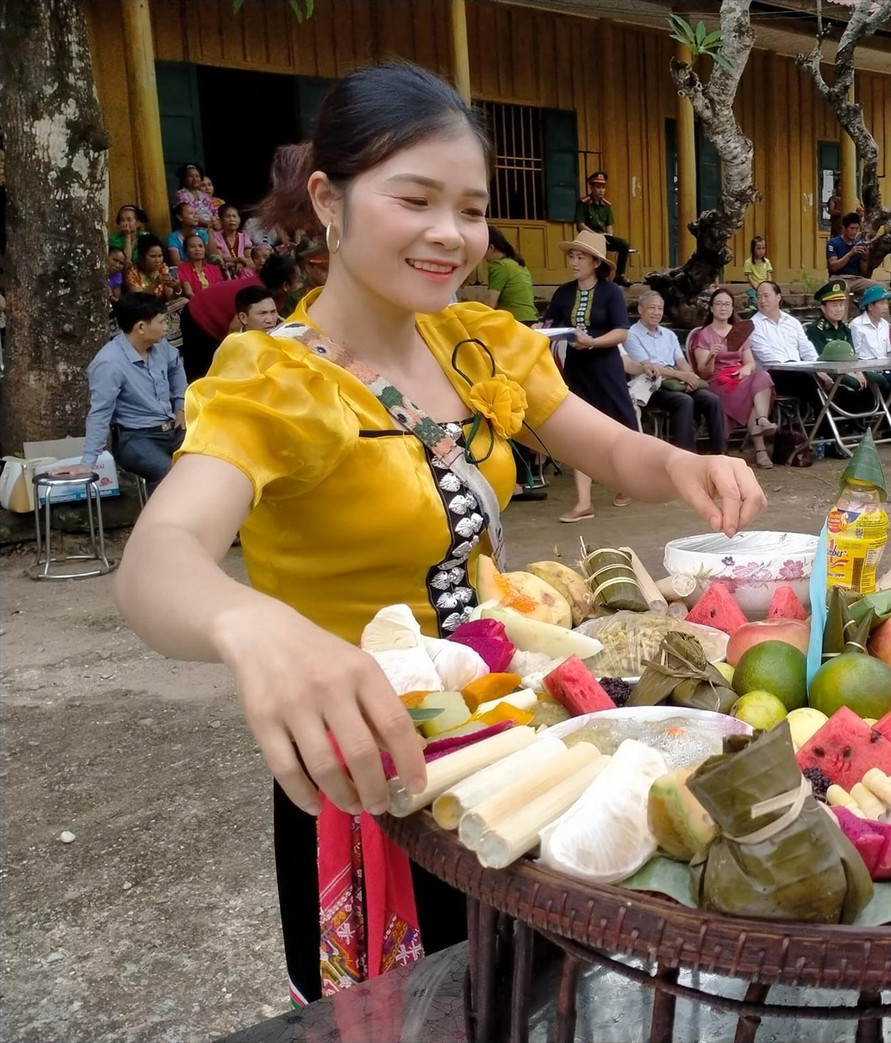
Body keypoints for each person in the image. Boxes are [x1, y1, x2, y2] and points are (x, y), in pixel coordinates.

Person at [110, 62, 763, 1010]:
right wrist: (250, 626)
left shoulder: (479, 341)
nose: (450, 235)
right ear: (329, 201)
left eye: (470, 208)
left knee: (541, 999)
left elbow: (615, 452)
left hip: (516, 743)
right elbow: (154, 562)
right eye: (414, 199)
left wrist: (685, 468)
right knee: (405, 1015)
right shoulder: (272, 379)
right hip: (372, 764)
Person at [539, 228, 639, 522]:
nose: (574, 261)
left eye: (580, 256)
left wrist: (592, 341)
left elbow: (622, 331)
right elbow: (550, 322)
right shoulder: (564, 292)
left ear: (595, 261)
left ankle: (626, 482)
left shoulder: (610, 292)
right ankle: (584, 502)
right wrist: (539, 330)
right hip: (577, 369)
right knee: (578, 429)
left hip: (606, 367)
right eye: (572, 255)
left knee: (619, 424)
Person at [58, 293, 187, 487]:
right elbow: (100, 412)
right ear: (141, 327)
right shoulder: (109, 363)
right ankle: (161, 517)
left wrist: (180, 406)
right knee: (169, 473)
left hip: (172, 430)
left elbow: (176, 366)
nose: (166, 327)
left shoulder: (160, 346)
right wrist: (88, 463)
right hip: (136, 438)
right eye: (161, 322)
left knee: (211, 459)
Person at [624, 291, 726, 455]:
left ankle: (719, 454)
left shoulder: (669, 335)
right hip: (651, 385)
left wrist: (689, 378)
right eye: (652, 308)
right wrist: (680, 376)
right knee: (683, 401)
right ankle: (686, 456)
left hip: (676, 382)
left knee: (712, 400)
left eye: (660, 308)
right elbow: (648, 367)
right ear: (640, 309)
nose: (657, 312)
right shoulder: (631, 335)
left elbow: (682, 363)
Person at [179, 253, 301, 382]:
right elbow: (234, 331)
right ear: (285, 286)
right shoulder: (255, 296)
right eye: (298, 281)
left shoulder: (271, 294)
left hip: (213, 315)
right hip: (198, 316)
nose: (301, 284)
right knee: (203, 374)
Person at [689, 292, 777, 469]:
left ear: (732, 308)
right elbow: (703, 372)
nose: (723, 308)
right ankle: (760, 449)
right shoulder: (704, 335)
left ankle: (761, 420)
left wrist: (746, 368)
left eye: (727, 304)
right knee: (754, 393)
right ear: (712, 308)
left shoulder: (738, 331)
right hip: (718, 381)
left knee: (762, 376)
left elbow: (750, 361)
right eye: (719, 304)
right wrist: (712, 356)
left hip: (741, 377)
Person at [750, 280, 835, 415]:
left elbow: (806, 348)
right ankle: (826, 428)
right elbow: (767, 357)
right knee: (810, 382)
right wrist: (802, 369)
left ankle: (841, 423)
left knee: (831, 379)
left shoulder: (792, 322)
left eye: (766, 296)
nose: (762, 300)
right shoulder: (753, 325)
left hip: (799, 371)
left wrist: (818, 368)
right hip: (772, 374)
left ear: (778, 297)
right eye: (759, 297)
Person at [574, 171, 632, 287]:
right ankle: (596, 277)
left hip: (603, 236)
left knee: (624, 244)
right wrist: (598, 237)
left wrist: (609, 236)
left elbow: (609, 225)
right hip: (588, 238)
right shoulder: (583, 203)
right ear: (592, 187)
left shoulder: (606, 205)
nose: (601, 190)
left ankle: (619, 276)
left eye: (603, 187)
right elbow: (580, 225)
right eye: (598, 187)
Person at [482, 227, 537, 322]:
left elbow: (490, 304)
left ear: (491, 248)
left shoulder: (498, 265)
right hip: (530, 318)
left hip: (514, 320)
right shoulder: (517, 263)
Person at [124, 235, 183, 303]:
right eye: (153, 256)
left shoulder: (163, 268)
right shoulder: (132, 272)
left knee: (184, 301)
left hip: (162, 308)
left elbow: (171, 299)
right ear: (141, 256)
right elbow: (138, 299)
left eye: (160, 256)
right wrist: (156, 283)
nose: (158, 260)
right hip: (142, 310)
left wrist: (177, 289)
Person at [826, 212, 874, 293]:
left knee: (879, 287)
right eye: (851, 228)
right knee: (844, 289)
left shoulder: (858, 244)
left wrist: (864, 258)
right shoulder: (833, 243)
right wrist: (850, 254)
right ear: (844, 228)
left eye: (856, 228)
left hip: (856, 279)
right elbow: (833, 267)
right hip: (838, 278)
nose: (854, 232)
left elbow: (864, 271)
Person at [804, 279, 853, 356]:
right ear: (823, 308)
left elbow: (852, 355)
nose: (839, 309)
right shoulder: (815, 330)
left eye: (841, 305)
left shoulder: (845, 329)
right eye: (834, 305)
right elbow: (819, 357)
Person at [212, 204, 255, 278]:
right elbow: (219, 258)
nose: (232, 219)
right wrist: (239, 260)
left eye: (234, 216)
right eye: (228, 216)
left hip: (243, 271)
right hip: (224, 271)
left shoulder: (244, 237)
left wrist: (242, 263)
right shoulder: (216, 236)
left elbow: (248, 258)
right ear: (221, 220)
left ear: (239, 220)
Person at [177, 233, 225, 298]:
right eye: (193, 246)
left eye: (200, 246)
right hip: (196, 303)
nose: (198, 249)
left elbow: (220, 290)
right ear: (186, 250)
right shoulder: (182, 269)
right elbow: (189, 293)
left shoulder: (214, 269)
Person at [174, 163, 217, 229]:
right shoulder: (181, 195)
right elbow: (188, 216)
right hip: (193, 231)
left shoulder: (205, 195)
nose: (195, 179)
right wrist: (209, 224)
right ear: (184, 179)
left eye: (197, 176)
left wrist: (217, 223)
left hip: (211, 228)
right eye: (191, 176)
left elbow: (214, 212)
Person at [743, 235, 772, 307]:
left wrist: (768, 286)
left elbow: (769, 276)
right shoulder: (748, 262)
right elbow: (750, 278)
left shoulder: (767, 262)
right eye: (758, 248)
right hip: (754, 288)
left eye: (763, 248)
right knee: (756, 302)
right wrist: (758, 288)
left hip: (765, 287)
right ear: (753, 249)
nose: (761, 251)